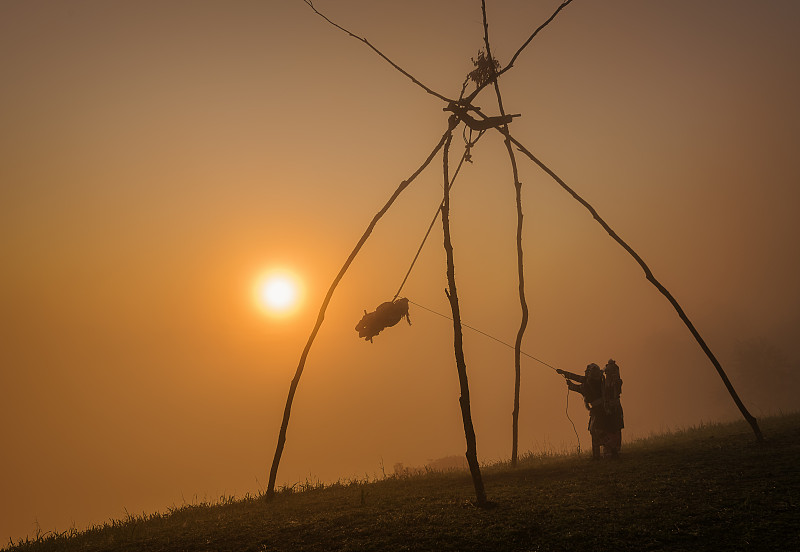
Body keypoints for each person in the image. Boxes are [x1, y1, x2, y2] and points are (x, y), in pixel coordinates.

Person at [557, 363, 607, 459]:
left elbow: (577, 381)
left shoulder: (591, 382)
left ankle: (609, 450)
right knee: (594, 430)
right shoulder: (592, 382)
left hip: (599, 410)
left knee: (597, 430)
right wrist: (569, 383)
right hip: (597, 410)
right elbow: (579, 386)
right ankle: (598, 455)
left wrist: (564, 374)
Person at [602, 359, 624, 457]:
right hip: (607, 407)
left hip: (615, 407)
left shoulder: (617, 382)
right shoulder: (604, 382)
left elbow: (617, 390)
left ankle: (615, 449)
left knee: (615, 427)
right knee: (607, 428)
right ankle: (608, 449)